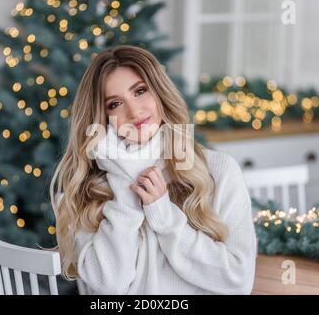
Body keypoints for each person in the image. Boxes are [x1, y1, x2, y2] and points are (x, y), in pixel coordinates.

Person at [49, 45, 257, 295]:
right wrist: (124, 185)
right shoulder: (91, 187)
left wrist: (164, 215)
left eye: (140, 91)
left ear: (159, 92)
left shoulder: (219, 169)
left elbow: (238, 280)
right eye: (115, 103)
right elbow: (109, 286)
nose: (134, 111)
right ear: (102, 117)